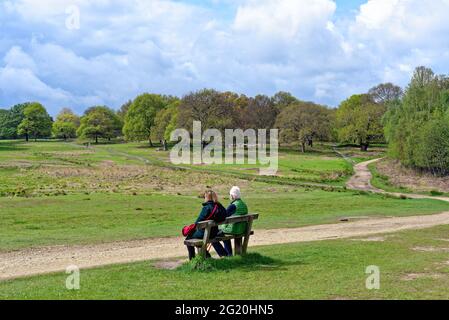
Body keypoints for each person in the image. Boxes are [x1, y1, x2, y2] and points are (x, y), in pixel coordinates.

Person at [185, 190, 228, 260]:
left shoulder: (206, 208)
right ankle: (209, 256)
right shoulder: (219, 207)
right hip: (214, 233)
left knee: (188, 238)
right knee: (202, 240)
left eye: (205, 197)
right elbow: (225, 214)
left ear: (207, 197)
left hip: (206, 233)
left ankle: (192, 259)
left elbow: (198, 223)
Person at [212, 186, 248, 257]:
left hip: (234, 229)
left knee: (216, 234)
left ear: (232, 196)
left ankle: (227, 255)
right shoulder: (243, 204)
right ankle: (229, 255)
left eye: (230, 195)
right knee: (223, 234)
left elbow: (224, 215)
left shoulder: (233, 206)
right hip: (242, 228)